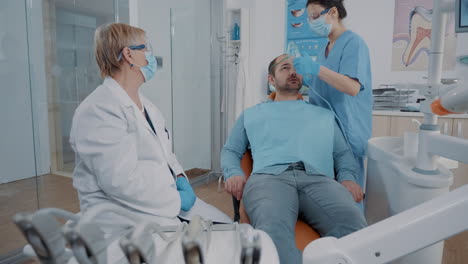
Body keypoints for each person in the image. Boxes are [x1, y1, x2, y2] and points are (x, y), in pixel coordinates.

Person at [70, 23, 227, 232]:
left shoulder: (146, 105)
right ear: (128, 55)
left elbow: (165, 154)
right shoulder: (98, 110)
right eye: (145, 48)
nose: (150, 56)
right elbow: (122, 182)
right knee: (220, 246)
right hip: (127, 218)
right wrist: (174, 200)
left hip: (163, 202)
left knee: (228, 226)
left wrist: (180, 177)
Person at [221, 54, 367, 264]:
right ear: (271, 80)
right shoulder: (251, 114)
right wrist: (233, 173)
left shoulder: (323, 115)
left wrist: (347, 178)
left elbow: (342, 153)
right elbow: (230, 151)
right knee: (272, 232)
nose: (293, 72)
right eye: (285, 68)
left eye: (296, 68)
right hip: (268, 180)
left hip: (319, 179)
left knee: (354, 227)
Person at [293, 0, 373, 195]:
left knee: (349, 192)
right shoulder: (324, 49)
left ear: (333, 12)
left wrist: (315, 69)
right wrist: (303, 78)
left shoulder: (354, 43)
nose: (312, 22)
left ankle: (355, 226)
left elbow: (352, 87)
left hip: (347, 132)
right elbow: (322, 87)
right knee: (330, 195)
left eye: (314, 16)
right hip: (325, 133)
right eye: (309, 18)